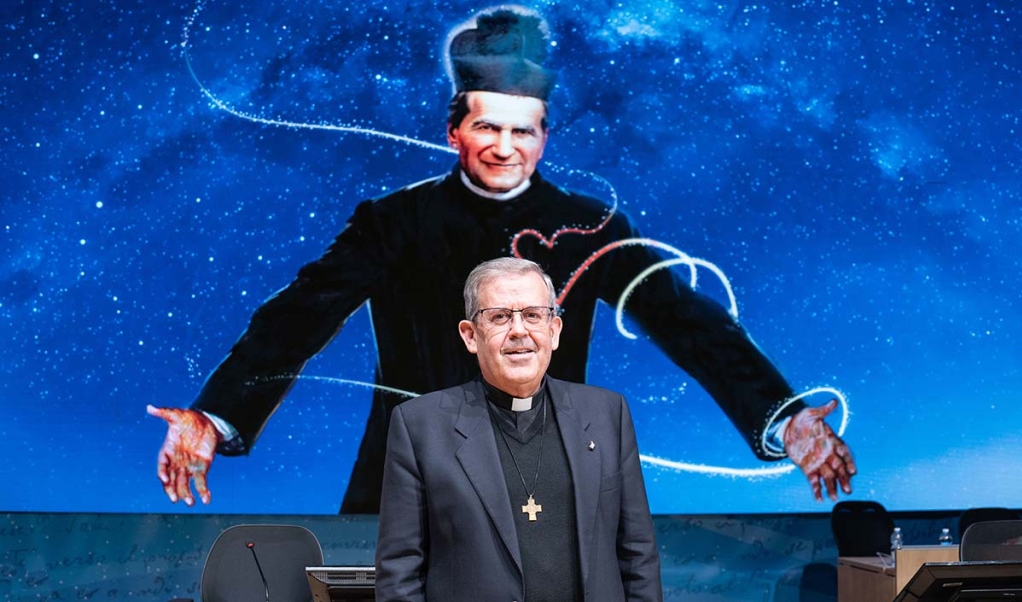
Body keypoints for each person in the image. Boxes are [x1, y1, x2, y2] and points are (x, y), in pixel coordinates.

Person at [148, 5, 855, 514]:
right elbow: (296, 318)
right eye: (487, 126)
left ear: (544, 135)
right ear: (454, 129)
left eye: (523, 131)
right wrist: (214, 415)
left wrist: (783, 416)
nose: (504, 148)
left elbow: (687, 322)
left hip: (543, 495)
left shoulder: (592, 227)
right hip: (406, 491)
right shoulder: (392, 224)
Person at [375, 257, 662, 602]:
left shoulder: (606, 414)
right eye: (499, 317)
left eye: (533, 315)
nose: (519, 331)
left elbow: (638, 555)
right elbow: (400, 574)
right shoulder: (420, 426)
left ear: (554, 331)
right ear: (470, 335)